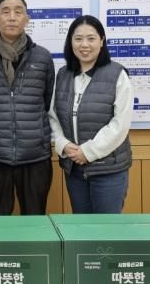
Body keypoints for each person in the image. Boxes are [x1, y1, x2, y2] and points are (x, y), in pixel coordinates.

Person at [0, 0, 55, 215]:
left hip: (35, 155)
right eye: (5, 11)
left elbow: (47, 101)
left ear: (27, 19)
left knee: (35, 218)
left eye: (18, 12)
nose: (12, 17)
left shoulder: (43, 57)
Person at [48, 14, 133, 213]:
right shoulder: (63, 74)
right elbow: (53, 115)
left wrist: (88, 152)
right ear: (70, 42)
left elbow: (120, 124)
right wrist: (63, 144)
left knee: (106, 227)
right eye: (78, 39)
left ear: (102, 41)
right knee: (81, 225)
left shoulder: (117, 74)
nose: (84, 45)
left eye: (91, 38)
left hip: (108, 170)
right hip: (74, 169)